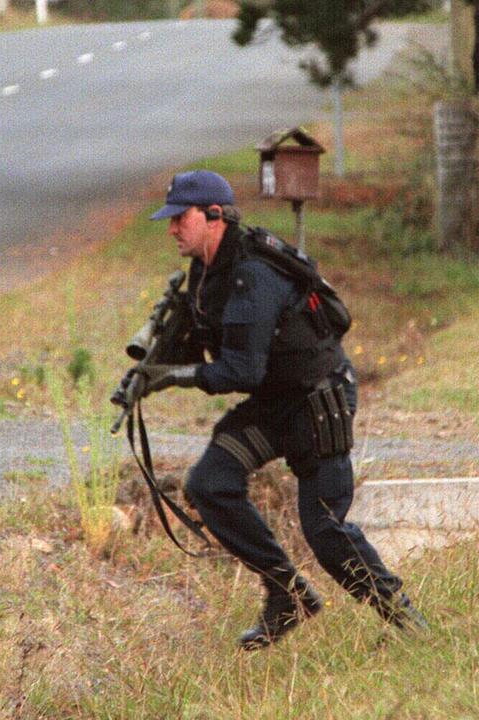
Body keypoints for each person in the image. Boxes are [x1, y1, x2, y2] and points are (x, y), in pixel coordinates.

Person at [139, 170, 427, 649]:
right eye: (169, 220)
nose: (171, 229)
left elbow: (241, 371)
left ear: (214, 217)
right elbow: (209, 343)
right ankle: (287, 596)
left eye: (180, 218)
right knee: (210, 485)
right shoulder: (208, 271)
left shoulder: (254, 274)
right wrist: (153, 369)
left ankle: (408, 623)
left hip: (318, 401)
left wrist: (178, 377)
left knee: (324, 531)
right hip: (276, 403)